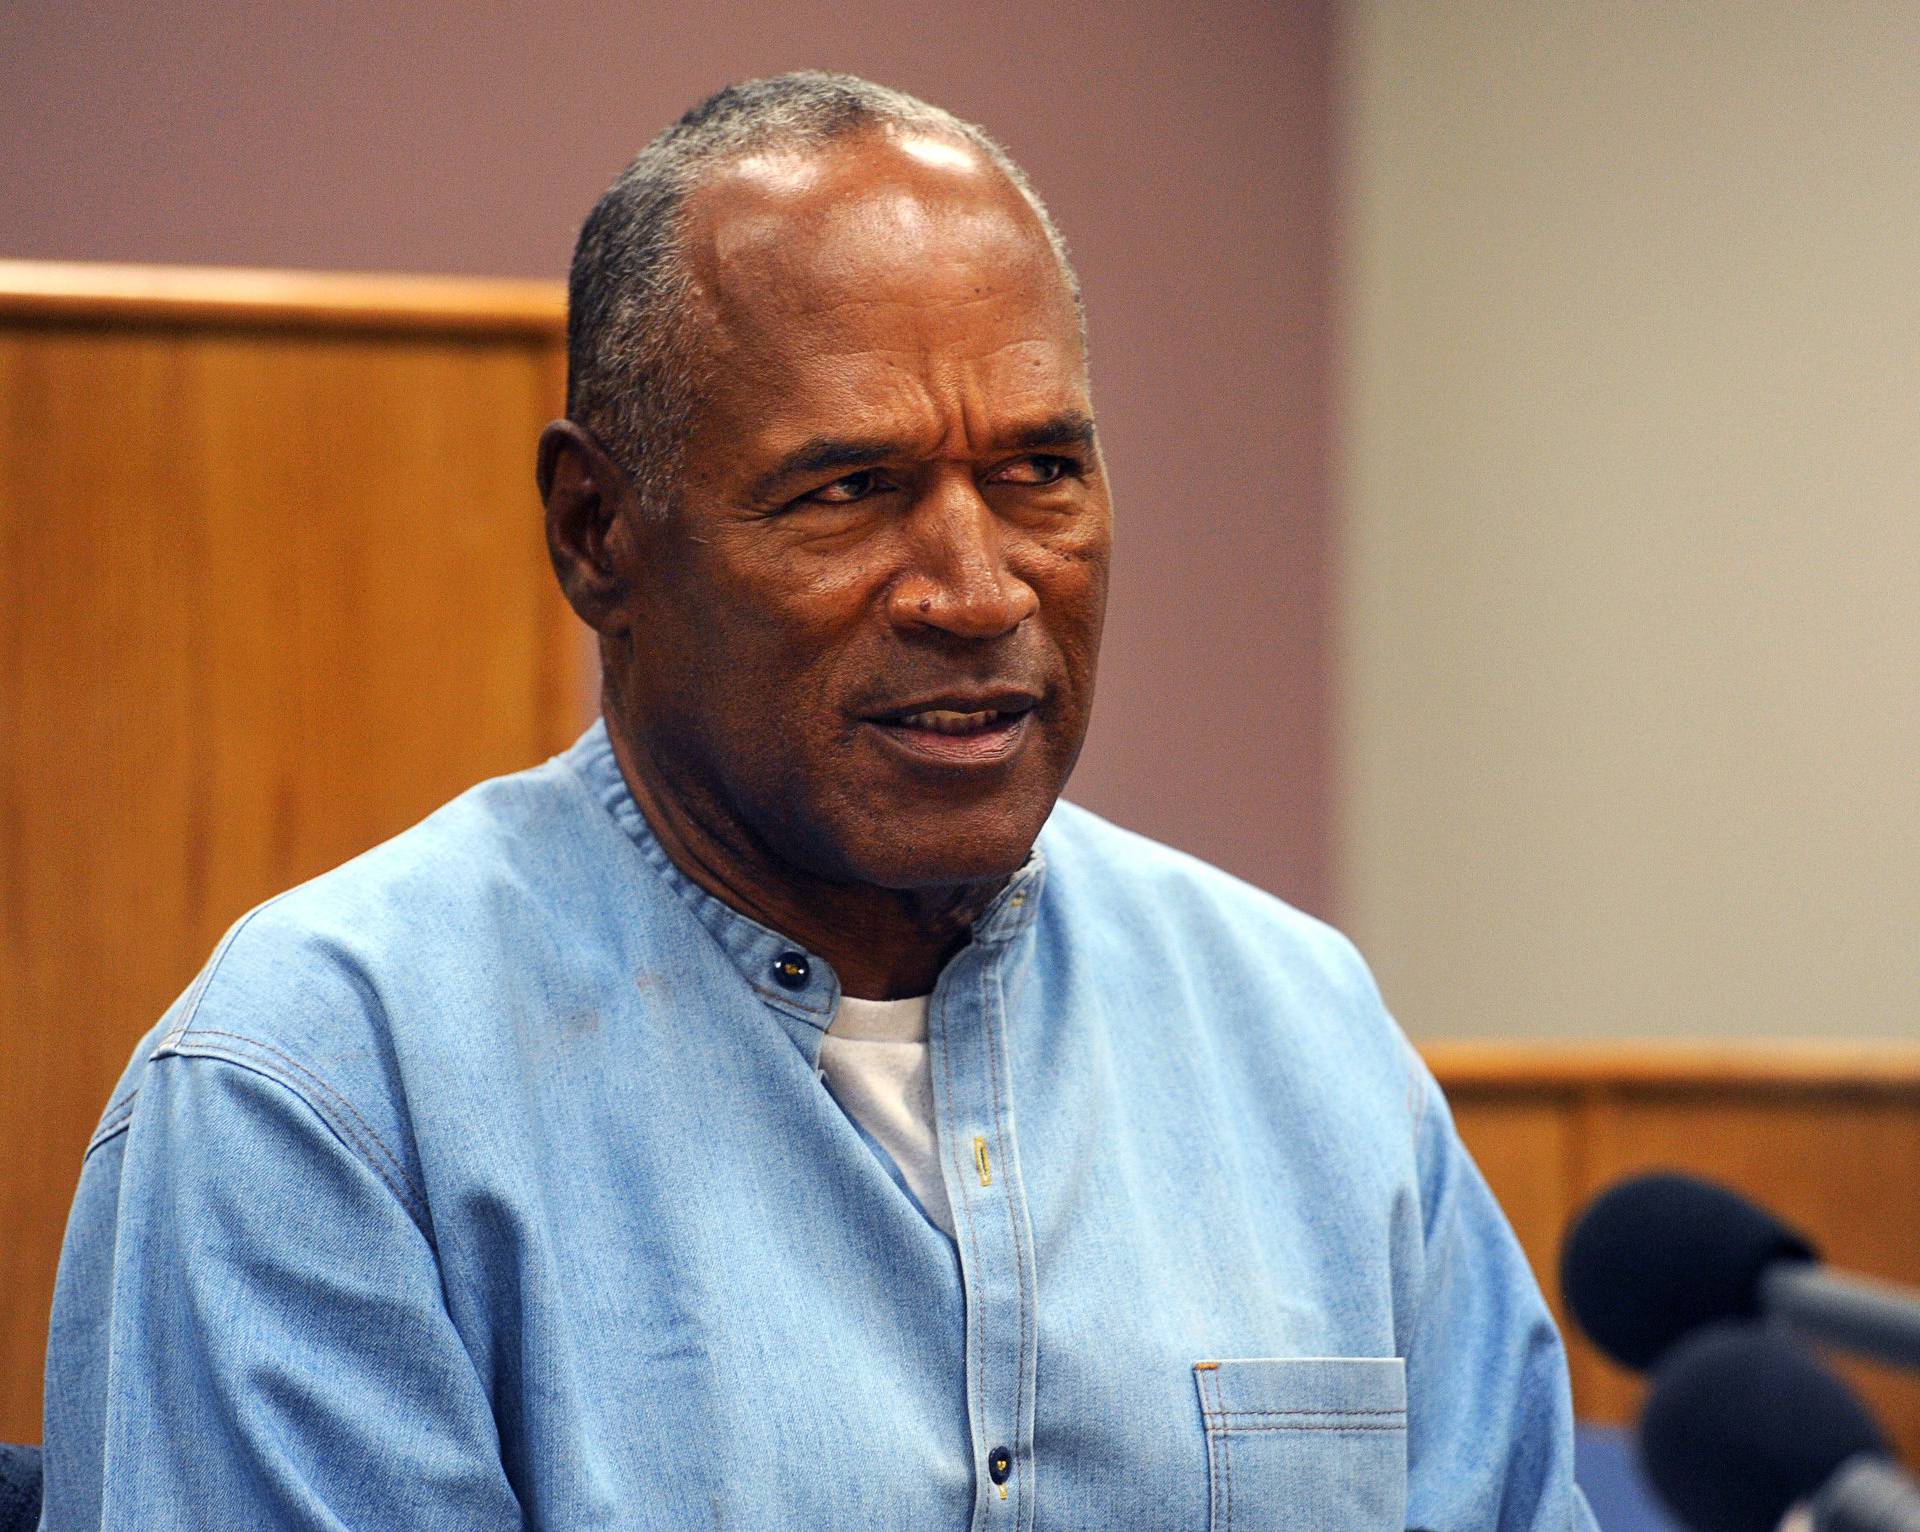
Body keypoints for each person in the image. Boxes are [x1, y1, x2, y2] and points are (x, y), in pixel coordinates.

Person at [40, 73, 1597, 1529]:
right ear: (598, 534)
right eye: (852, 488)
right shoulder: (320, 1093)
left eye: (1041, 471)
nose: (979, 589)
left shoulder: (1303, 1041)